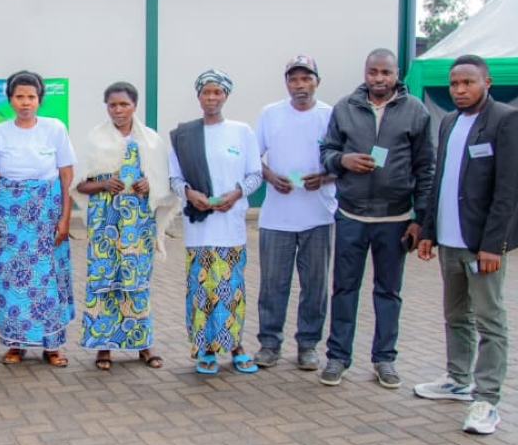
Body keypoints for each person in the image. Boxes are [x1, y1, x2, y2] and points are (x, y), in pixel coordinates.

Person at [415, 55, 518, 435]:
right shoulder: (449, 122)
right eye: (454, 84)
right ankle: (457, 380)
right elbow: (441, 181)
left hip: (481, 244)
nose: (460, 90)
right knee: (456, 315)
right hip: (450, 240)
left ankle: (487, 400)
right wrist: (429, 231)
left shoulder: (507, 120)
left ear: (487, 82)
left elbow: (509, 189)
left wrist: (493, 245)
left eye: (468, 83)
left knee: (490, 320)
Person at [318, 48, 434, 388]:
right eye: (373, 72)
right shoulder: (345, 107)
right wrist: (343, 161)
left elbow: (426, 167)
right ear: (365, 72)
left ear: (397, 73)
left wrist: (420, 219)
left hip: (395, 218)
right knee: (344, 289)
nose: (379, 79)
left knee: (388, 292)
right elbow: (325, 152)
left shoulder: (416, 112)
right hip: (352, 215)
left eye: (386, 72)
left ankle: (385, 359)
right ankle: (337, 357)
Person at [74, 82, 179, 370]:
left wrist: (151, 185)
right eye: (112, 105)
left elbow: (166, 185)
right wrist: (103, 183)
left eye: (124, 104)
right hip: (105, 223)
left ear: (135, 106)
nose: (118, 110)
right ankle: (102, 346)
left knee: (137, 284)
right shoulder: (96, 139)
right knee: (103, 283)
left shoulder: (152, 141)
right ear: (106, 107)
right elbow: (80, 184)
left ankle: (143, 344)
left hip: (138, 226)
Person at [168, 70, 262, 375]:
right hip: (199, 226)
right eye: (206, 92)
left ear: (226, 96)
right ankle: (205, 349)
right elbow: (174, 177)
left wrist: (236, 194)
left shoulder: (242, 131)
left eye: (217, 93)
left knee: (231, 288)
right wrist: (188, 193)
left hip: (230, 225)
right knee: (201, 289)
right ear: (198, 96)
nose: (211, 98)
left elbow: (255, 175)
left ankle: (236, 346)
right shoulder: (183, 135)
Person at [0, 70, 76, 367]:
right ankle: (16, 344)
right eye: (19, 96)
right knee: (10, 281)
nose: (26, 102)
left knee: (48, 280)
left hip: (47, 214)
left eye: (31, 97)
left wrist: (65, 219)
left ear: (39, 99)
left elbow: (66, 175)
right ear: (10, 99)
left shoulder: (54, 129)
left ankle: (52, 346)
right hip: (10, 217)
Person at [253, 56, 336, 372]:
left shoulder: (331, 116)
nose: (300, 86)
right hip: (277, 217)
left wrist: (326, 177)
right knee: (273, 283)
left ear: (317, 80)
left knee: (315, 285)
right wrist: (271, 177)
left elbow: (343, 161)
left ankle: (308, 345)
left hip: (319, 215)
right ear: (286, 83)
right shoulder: (270, 114)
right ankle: (270, 343)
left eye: (306, 79)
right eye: (293, 80)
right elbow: (253, 158)